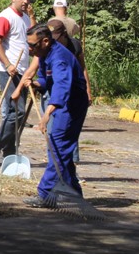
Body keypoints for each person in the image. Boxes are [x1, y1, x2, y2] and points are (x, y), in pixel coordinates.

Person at [19, 23, 89, 206]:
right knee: (59, 148)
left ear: (45, 41)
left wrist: (47, 113)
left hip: (71, 105)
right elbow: (47, 79)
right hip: (62, 103)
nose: (29, 48)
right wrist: (36, 84)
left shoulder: (59, 58)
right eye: (28, 44)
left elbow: (62, 87)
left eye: (32, 45)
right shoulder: (44, 53)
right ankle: (73, 192)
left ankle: (45, 194)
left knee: (57, 147)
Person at [0, 0, 32, 165]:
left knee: (18, 114)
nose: (26, 1)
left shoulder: (26, 18)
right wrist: (8, 64)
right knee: (17, 112)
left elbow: (31, 39)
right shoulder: (5, 17)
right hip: (7, 71)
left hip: (22, 71)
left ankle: (9, 153)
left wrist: (33, 17)